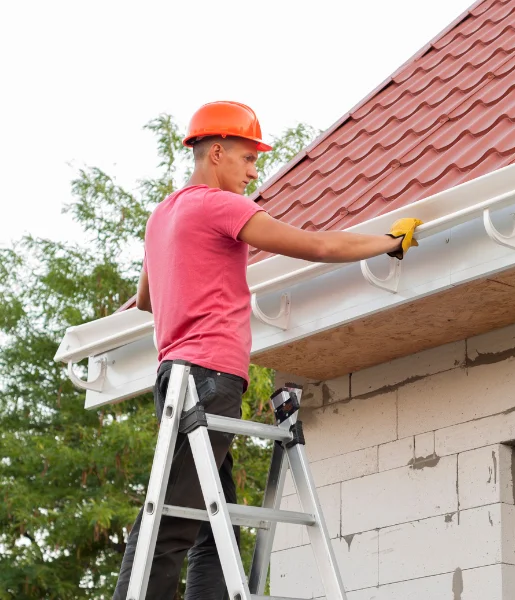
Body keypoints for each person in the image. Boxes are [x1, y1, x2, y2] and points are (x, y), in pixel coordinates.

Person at [112, 101, 421, 599]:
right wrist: (386, 243)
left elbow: (147, 299)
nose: (254, 173)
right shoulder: (220, 206)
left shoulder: (162, 215)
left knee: (214, 529)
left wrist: (192, 286)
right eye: (248, 160)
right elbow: (315, 247)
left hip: (175, 379)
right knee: (169, 522)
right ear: (217, 152)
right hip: (210, 379)